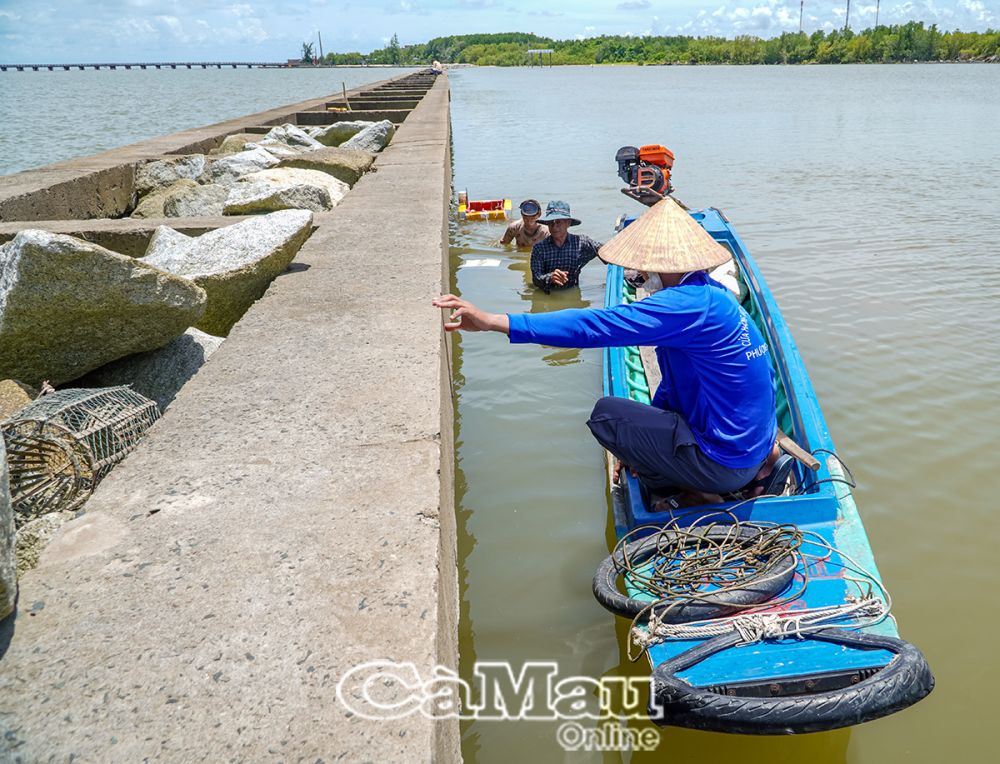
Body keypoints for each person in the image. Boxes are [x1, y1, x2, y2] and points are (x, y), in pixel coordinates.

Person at [434, 199, 788, 501]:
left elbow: (591, 327)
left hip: (725, 466)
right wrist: (646, 441)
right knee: (660, 406)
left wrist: (494, 321)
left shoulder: (683, 306)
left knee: (607, 415)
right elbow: (681, 383)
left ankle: (695, 492)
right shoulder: (716, 295)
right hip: (755, 448)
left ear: (658, 264)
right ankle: (754, 463)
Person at [529, 200, 602, 293]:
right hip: (549, 293)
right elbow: (536, 279)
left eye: (558, 222)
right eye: (551, 223)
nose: (554, 227)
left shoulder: (581, 243)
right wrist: (550, 277)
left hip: (572, 290)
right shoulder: (539, 249)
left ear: (568, 223)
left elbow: (604, 251)